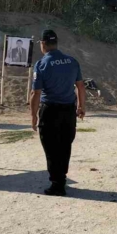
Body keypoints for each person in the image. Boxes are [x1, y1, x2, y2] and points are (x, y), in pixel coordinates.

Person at [30, 30, 86, 196]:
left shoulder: (41, 64)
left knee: (51, 148)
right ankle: (61, 177)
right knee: (64, 145)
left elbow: (36, 93)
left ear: (43, 44)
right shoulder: (72, 61)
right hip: (69, 110)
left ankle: (57, 183)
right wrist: (81, 106)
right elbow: (80, 86)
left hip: (50, 111)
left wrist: (33, 115)